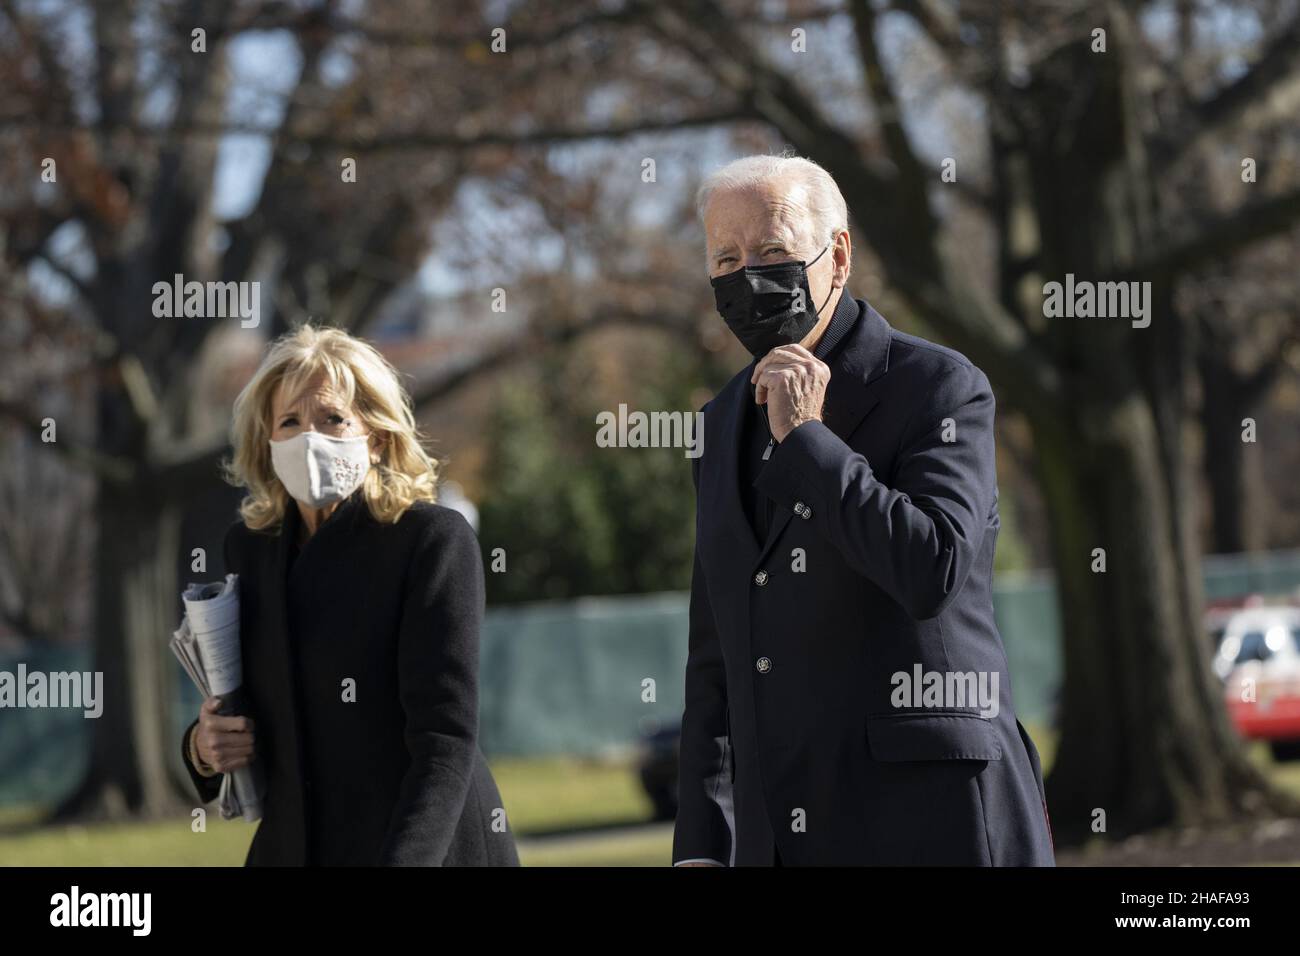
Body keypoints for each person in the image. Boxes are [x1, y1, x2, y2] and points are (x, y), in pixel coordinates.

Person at [672, 154, 1055, 866]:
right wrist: (702, 843)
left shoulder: (939, 388)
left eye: (774, 251)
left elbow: (931, 569)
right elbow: (716, 657)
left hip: (934, 821)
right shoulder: (719, 424)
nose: (746, 274)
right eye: (725, 257)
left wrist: (809, 441)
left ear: (837, 255)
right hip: (782, 836)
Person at [181, 324, 518, 866]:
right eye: (289, 422)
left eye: (333, 418)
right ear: (267, 444)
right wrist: (202, 746)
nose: (309, 437)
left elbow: (444, 742)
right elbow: (259, 712)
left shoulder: (431, 541)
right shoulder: (251, 550)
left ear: (377, 435)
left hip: (421, 848)